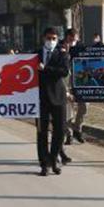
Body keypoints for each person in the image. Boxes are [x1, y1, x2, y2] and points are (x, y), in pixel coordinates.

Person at [36, 27, 70, 176]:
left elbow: (64, 71)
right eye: (49, 38)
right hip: (40, 98)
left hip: (58, 97)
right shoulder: (35, 54)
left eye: (54, 38)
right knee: (42, 132)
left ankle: (54, 158)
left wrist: (46, 68)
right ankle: (45, 164)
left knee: (60, 131)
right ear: (43, 38)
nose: (51, 41)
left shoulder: (62, 54)